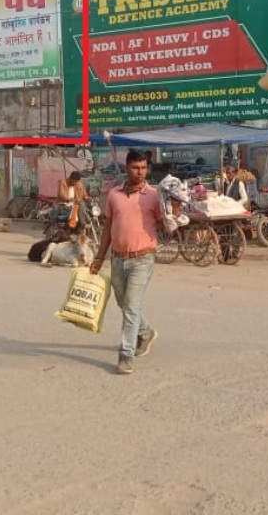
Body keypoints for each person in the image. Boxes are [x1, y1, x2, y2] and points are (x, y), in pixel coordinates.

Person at [89, 149, 165, 376]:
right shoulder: (114, 195)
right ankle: (146, 331)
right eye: (135, 167)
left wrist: (175, 214)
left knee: (131, 307)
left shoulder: (154, 195)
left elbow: (167, 224)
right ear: (127, 167)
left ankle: (125, 356)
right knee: (123, 303)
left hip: (143, 258)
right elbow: (108, 230)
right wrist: (99, 257)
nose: (140, 172)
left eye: (143, 168)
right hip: (118, 259)